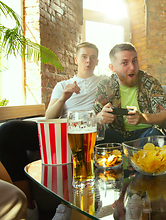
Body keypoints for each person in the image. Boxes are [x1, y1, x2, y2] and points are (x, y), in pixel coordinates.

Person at [0, 42, 105, 220]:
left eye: (93, 57)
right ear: (76, 59)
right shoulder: (63, 85)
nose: (88, 61)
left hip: (86, 130)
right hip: (60, 130)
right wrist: (64, 97)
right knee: (9, 130)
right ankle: (29, 204)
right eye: (84, 57)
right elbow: (49, 117)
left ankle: (67, 207)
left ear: (97, 61)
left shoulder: (104, 81)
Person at [93, 42, 166, 143]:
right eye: (124, 63)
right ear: (112, 68)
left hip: (145, 134)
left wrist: (142, 118)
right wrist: (100, 117)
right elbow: (92, 119)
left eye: (135, 61)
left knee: (155, 135)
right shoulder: (105, 86)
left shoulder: (150, 82)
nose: (132, 67)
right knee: (97, 138)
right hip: (115, 136)